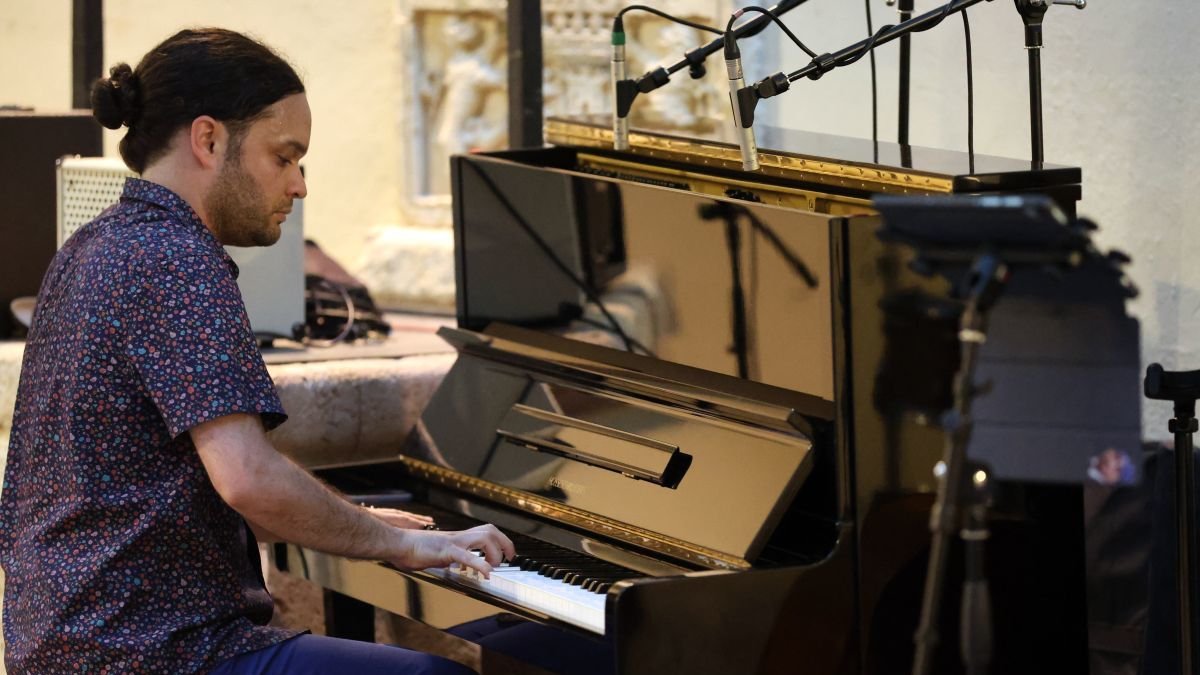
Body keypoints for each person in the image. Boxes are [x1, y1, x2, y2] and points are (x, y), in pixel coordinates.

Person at [0, 28, 513, 674]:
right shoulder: (176, 258)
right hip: (158, 653)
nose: (299, 185)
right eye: (285, 156)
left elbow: (161, 495)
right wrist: (399, 542)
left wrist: (352, 521)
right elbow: (247, 477)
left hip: (68, 648)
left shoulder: (91, 246)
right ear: (209, 139)